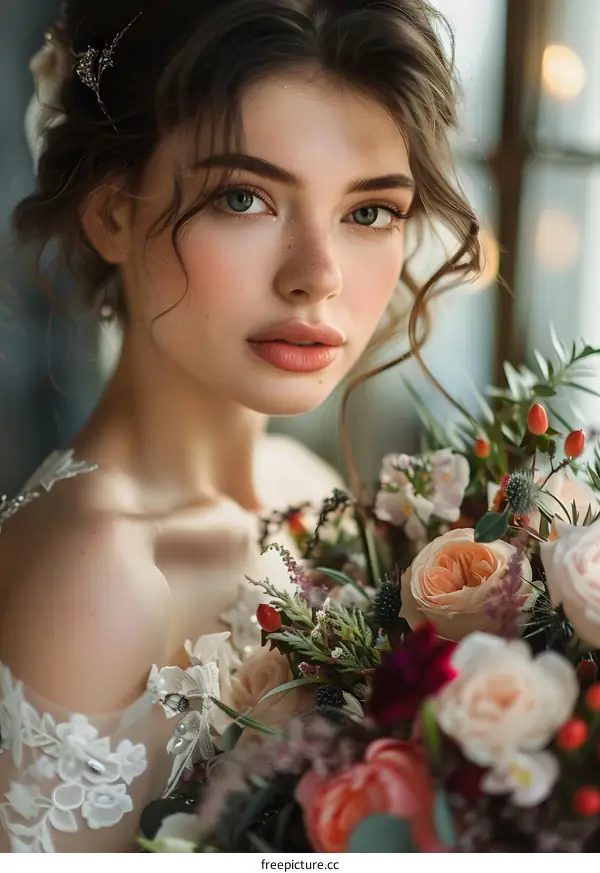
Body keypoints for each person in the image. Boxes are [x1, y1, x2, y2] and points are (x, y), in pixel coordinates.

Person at [0, 0, 480, 852]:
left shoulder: (314, 494)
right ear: (111, 213)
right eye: (245, 197)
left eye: (369, 211)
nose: (317, 277)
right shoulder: (101, 571)